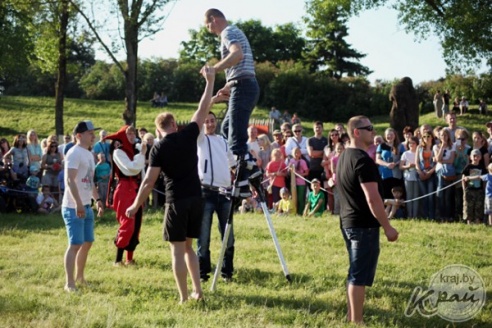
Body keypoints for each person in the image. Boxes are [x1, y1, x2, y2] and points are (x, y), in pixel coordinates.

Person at [125, 66, 216, 303]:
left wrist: (135, 205)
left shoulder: (158, 148)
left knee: (176, 250)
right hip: (196, 198)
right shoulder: (188, 135)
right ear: (175, 125)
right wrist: (210, 81)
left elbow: (148, 181)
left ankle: (184, 298)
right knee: (189, 247)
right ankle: (198, 291)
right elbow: (202, 108)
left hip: (175, 201)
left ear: (158, 129)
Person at [337, 115, 398, 324]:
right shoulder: (363, 161)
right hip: (362, 226)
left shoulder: (345, 157)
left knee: (355, 272)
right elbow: (373, 199)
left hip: (348, 223)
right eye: (369, 128)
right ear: (356, 132)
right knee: (358, 276)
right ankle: (357, 321)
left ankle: (351, 317)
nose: (373, 131)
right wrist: (388, 227)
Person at [204, 8, 260, 196]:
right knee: (227, 128)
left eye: (208, 25)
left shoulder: (227, 32)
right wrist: (228, 85)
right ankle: (250, 168)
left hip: (243, 86)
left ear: (214, 19)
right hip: (242, 84)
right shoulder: (235, 31)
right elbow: (240, 64)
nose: (210, 30)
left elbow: (237, 55)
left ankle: (242, 183)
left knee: (235, 140)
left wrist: (214, 69)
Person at [61, 120, 104, 292]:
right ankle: (69, 283)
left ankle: (80, 277)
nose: (93, 135)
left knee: (87, 243)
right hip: (73, 206)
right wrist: (78, 204)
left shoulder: (89, 154)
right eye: (90, 133)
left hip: (86, 206)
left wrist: (98, 200)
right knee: (75, 244)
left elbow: (89, 181)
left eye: (94, 132)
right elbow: (70, 180)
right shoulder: (74, 153)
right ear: (79, 135)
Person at [196, 110, 235, 283]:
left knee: (228, 234)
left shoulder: (223, 141)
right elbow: (196, 120)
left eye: (212, 121)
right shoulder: (200, 140)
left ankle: (227, 272)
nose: (210, 124)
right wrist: (211, 102)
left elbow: (232, 163)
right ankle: (203, 273)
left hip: (224, 192)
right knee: (203, 235)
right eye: (207, 121)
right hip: (205, 192)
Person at [105, 125, 146, 266]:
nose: (132, 135)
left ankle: (129, 259)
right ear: (122, 136)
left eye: (133, 132)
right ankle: (118, 260)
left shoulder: (137, 148)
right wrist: (142, 154)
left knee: (137, 223)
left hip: (135, 188)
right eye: (128, 133)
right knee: (127, 223)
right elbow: (131, 169)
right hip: (124, 188)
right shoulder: (118, 152)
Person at [434, 128, 456, 222]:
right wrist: (442, 147)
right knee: (440, 193)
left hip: (449, 172)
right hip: (440, 171)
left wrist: (442, 161)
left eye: (445, 135)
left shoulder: (452, 146)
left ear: (448, 136)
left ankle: (448, 216)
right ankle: (440, 216)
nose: (444, 137)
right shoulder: (436, 147)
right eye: (442, 135)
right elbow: (438, 159)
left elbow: (451, 160)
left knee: (448, 194)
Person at [415, 131, 437, 220]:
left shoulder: (434, 148)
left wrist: (430, 172)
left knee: (431, 196)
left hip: (431, 173)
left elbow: (437, 162)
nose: (426, 138)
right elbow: (416, 162)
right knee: (424, 195)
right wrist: (420, 172)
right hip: (421, 173)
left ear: (432, 137)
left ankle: (432, 216)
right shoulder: (419, 148)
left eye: (428, 136)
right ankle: (425, 217)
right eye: (424, 136)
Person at [461, 149, 486, 225]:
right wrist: (464, 189)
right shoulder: (468, 167)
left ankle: (477, 223)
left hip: (479, 190)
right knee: (468, 207)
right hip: (469, 190)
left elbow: (484, 180)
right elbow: (463, 178)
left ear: (480, 157)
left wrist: (484, 190)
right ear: (471, 157)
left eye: (477, 156)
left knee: (478, 207)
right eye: (474, 156)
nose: (476, 158)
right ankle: (469, 223)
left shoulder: (482, 168)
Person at [399, 136, 419, 218]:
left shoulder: (419, 153)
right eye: (410, 143)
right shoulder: (405, 153)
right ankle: (409, 215)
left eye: (413, 143)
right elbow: (401, 166)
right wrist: (408, 166)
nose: (411, 144)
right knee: (409, 195)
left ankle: (415, 215)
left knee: (416, 196)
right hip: (408, 176)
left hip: (417, 176)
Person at [287, 147, 309, 215]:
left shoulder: (303, 161)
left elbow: (307, 172)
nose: (296, 154)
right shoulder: (291, 161)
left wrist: (300, 174)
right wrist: (289, 169)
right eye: (295, 153)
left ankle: (300, 212)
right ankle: (294, 211)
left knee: (300, 198)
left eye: (298, 152)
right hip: (293, 182)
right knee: (293, 197)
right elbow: (288, 171)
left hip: (301, 183)